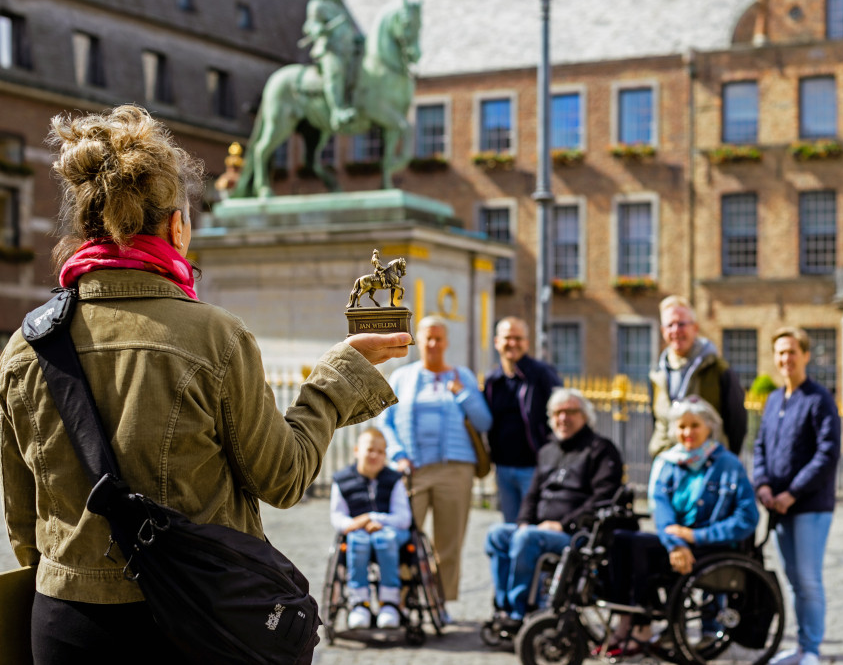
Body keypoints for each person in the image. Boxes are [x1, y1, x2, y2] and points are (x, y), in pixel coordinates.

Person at [0, 105, 410, 663]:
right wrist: (334, 381)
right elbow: (284, 478)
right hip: (191, 619)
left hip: (65, 621)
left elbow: (25, 521)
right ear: (176, 227)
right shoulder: (214, 336)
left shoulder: (27, 345)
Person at [606, 397, 759, 656]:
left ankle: (642, 627)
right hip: (675, 542)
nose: (687, 433)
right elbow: (661, 509)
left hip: (712, 546)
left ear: (709, 427)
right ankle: (631, 618)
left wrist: (696, 536)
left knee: (642, 552)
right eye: (682, 427)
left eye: (694, 425)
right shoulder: (666, 463)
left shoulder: (727, 463)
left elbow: (747, 517)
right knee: (622, 540)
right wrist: (677, 544)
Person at [484, 387, 623, 633]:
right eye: (557, 413)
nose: (563, 418)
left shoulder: (601, 449)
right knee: (496, 534)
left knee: (526, 538)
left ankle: (522, 611)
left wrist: (564, 524)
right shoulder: (548, 450)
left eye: (571, 412)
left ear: (585, 416)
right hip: (539, 529)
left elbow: (603, 497)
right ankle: (503, 606)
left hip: (575, 534)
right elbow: (533, 494)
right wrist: (525, 520)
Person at [379, 315, 492, 612]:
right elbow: (386, 421)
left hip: (456, 469)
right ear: (418, 340)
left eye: (438, 338)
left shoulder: (462, 376)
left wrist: (463, 394)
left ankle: (439, 601)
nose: (432, 344)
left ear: (446, 342)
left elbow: (483, 420)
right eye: (427, 338)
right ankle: (402, 599)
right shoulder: (403, 377)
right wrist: (398, 453)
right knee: (403, 536)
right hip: (412, 469)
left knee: (448, 542)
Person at [753, 327, 841, 665]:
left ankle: (813, 650)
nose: (785, 359)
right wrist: (762, 484)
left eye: (791, 351)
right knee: (791, 581)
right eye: (780, 353)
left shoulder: (819, 399)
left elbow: (827, 454)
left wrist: (792, 492)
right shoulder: (775, 399)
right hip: (777, 507)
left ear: (805, 355)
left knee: (808, 578)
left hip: (809, 507)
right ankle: (801, 646)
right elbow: (760, 445)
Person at [329, 427, 412, 630]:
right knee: (358, 539)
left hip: (391, 534)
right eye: (370, 450)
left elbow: (403, 519)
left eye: (381, 451)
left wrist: (375, 519)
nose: (375, 455)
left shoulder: (394, 480)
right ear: (357, 450)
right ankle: (359, 603)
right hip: (358, 535)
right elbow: (337, 516)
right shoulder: (342, 480)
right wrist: (356, 524)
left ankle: (390, 603)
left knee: (385, 538)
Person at [483, 316, 562, 522]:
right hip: (503, 467)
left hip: (534, 466)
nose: (513, 343)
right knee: (510, 524)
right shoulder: (492, 381)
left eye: (518, 338)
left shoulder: (541, 374)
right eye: (508, 337)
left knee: (532, 524)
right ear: (497, 342)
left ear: (527, 342)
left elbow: (560, 412)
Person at [648, 295, 746, 459]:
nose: (676, 330)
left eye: (681, 324)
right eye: (670, 325)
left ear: (695, 328)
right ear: (663, 331)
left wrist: (725, 459)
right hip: (668, 466)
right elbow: (657, 423)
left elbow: (737, 423)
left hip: (709, 467)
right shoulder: (657, 375)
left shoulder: (718, 370)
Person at [301, 0, 362, 131]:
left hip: (349, 49)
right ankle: (337, 110)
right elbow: (310, 24)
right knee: (335, 72)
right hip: (330, 50)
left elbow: (352, 28)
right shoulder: (317, 5)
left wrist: (359, 38)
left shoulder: (341, 7)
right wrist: (317, 29)